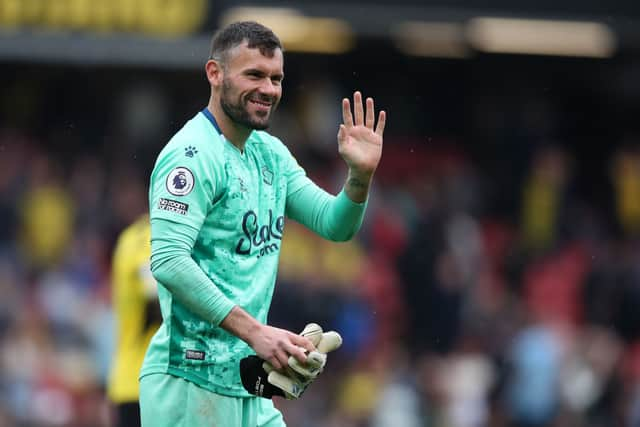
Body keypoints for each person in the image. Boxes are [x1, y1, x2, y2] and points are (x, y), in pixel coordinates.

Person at [139, 20, 386, 427]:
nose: (269, 89)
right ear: (215, 74)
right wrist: (256, 332)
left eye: (276, 78)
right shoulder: (192, 155)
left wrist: (359, 177)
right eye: (254, 74)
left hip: (247, 387)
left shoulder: (270, 154)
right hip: (190, 383)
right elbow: (167, 260)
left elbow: (334, 224)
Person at [107, 214, 161, 427]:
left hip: (147, 382)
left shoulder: (131, 236)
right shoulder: (146, 238)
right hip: (142, 383)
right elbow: (156, 297)